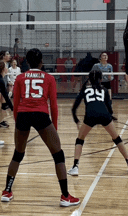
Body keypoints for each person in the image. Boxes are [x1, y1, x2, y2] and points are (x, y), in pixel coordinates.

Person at [1, 48, 80, 207]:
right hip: (40, 115)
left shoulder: (20, 78)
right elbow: (54, 107)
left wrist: (18, 123)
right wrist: (54, 128)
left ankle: (7, 191)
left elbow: (16, 103)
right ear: (42, 62)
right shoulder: (49, 78)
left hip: (23, 114)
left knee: (18, 153)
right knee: (58, 155)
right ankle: (65, 196)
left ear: (27, 62)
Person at [67, 70, 128, 176]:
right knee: (117, 138)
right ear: (101, 79)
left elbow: (74, 107)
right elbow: (109, 106)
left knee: (80, 139)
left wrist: (76, 120)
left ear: (89, 79)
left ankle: (75, 167)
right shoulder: (104, 89)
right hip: (104, 115)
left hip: (90, 115)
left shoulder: (84, 89)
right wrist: (110, 116)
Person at [92, 52, 117, 120]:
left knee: (109, 99)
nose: (105, 56)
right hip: (99, 84)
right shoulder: (96, 65)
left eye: (106, 55)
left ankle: (110, 114)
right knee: (99, 99)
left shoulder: (109, 66)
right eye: (103, 55)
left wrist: (110, 78)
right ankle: (97, 115)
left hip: (107, 83)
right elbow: (92, 74)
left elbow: (112, 76)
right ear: (100, 57)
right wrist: (97, 79)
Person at [0, 60, 13, 144]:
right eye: (5, 66)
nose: (7, 68)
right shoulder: (0, 80)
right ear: (3, 69)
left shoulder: (1, 79)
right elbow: (5, 96)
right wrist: (13, 108)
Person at [0, 50, 12, 128]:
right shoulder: (1, 64)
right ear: (3, 56)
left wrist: (9, 82)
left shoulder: (6, 64)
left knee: (3, 104)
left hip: (2, 85)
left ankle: (1, 121)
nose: (9, 56)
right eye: (7, 54)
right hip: (1, 86)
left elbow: (5, 77)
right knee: (3, 104)